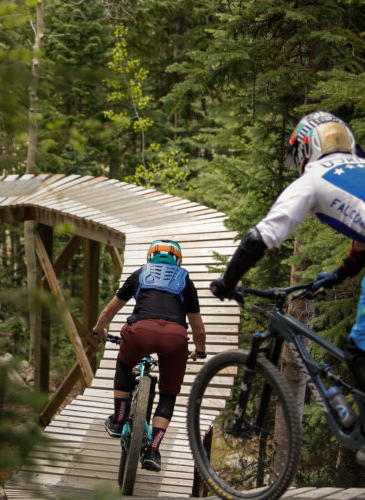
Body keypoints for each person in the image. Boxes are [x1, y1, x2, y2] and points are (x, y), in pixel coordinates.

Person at [210, 110, 365, 392]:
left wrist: (227, 281)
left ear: (306, 148)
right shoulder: (360, 166)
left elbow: (260, 237)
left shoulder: (313, 178)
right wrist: (341, 273)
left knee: (360, 353)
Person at [92, 239, 206, 472]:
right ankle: (153, 450)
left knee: (124, 364)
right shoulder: (185, 280)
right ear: (178, 259)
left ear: (150, 257)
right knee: (168, 392)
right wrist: (200, 350)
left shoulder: (140, 274)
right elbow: (198, 328)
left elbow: (109, 310)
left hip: (140, 332)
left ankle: (119, 419)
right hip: (175, 338)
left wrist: (99, 329)